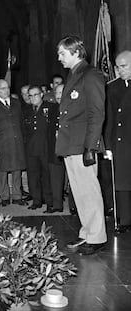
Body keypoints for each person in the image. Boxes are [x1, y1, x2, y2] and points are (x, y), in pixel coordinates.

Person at [55, 35, 106, 255]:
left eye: (62, 53)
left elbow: (97, 113)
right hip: (71, 144)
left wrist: (90, 147)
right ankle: (87, 233)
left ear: (76, 52)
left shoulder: (90, 75)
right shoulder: (74, 75)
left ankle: (97, 237)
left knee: (89, 192)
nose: (59, 58)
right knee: (80, 193)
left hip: (83, 144)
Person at [0, 79, 27, 207]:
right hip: (1, 143)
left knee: (17, 169)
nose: (6, 90)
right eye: (3, 88)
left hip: (17, 141)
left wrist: (24, 140)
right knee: (2, 171)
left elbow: (21, 122)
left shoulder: (16, 102)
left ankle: (17, 196)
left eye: (7, 87)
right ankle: (4, 197)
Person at [104, 50, 131, 234]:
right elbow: (110, 119)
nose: (119, 70)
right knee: (121, 183)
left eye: (124, 66)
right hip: (121, 143)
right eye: (117, 66)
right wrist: (107, 145)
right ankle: (125, 219)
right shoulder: (112, 88)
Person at [23, 85, 52, 211]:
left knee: (47, 176)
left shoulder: (50, 107)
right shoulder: (26, 110)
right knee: (33, 176)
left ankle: (50, 201)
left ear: (41, 94)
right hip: (31, 148)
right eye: (30, 95)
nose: (33, 98)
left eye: (36, 94)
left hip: (46, 147)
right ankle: (36, 200)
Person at [47, 84, 67, 213]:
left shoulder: (74, 108)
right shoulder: (52, 109)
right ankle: (57, 204)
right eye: (57, 93)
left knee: (74, 180)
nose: (59, 96)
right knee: (55, 178)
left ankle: (74, 207)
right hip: (55, 148)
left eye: (62, 92)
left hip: (71, 148)